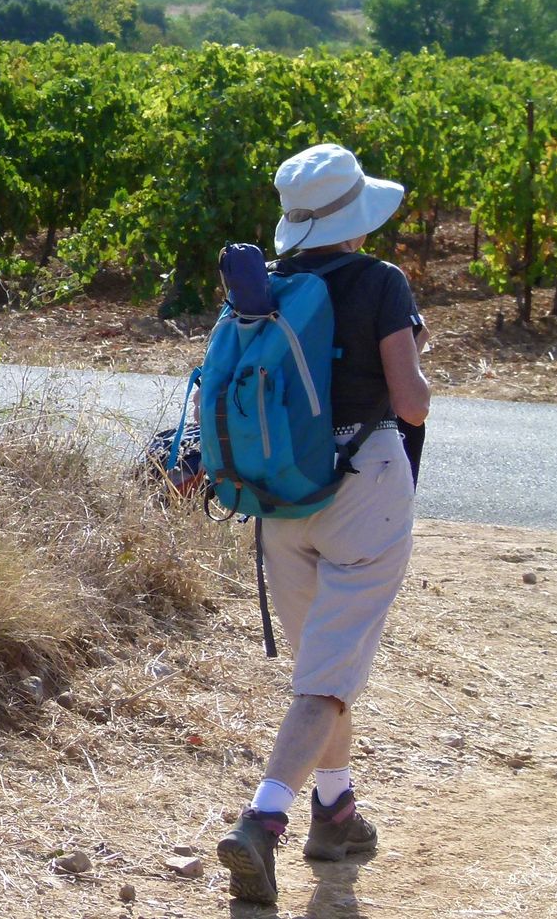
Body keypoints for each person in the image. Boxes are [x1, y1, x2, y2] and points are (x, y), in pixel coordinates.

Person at [216, 143, 430, 906]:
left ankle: (334, 808)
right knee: (328, 676)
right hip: (362, 492)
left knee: (322, 671)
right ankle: (263, 819)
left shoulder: (269, 290)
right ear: (356, 217)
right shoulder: (381, 283)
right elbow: (408, 403)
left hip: (279, 500)